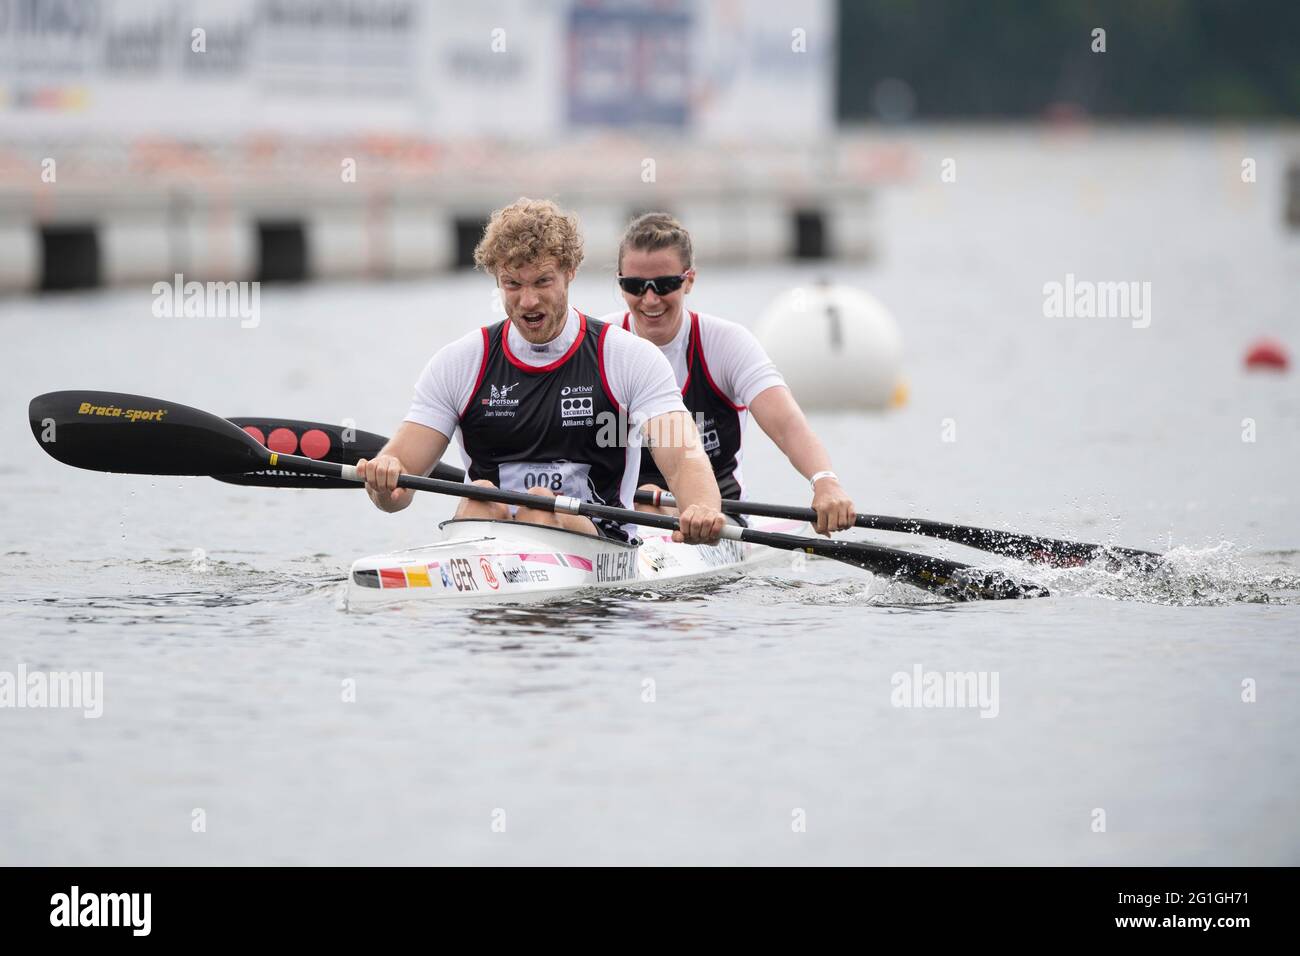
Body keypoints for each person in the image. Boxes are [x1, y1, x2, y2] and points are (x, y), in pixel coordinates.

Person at [356, 198, 726, 545]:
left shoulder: (629, 358)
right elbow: (399, 489)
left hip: (599, 543)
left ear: (570, 272)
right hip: (490, 534)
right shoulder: (459, 363)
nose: (528, 301)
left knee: (538, 505)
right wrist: (384, 482)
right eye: (512, 284)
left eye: (542, 282)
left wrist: (701, 509)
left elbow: (683, 457)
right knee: (480, 496)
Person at [605, 212, 855, 535]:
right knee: (646, 502)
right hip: (620, 514)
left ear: (689, 280)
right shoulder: (603, 342)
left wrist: (825, 482)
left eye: (665, 284)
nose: (650, 299)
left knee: (657, 503)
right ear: (620, 282)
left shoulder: (725, 344)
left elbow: (787, 425)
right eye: (635, 286)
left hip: (717, 518)